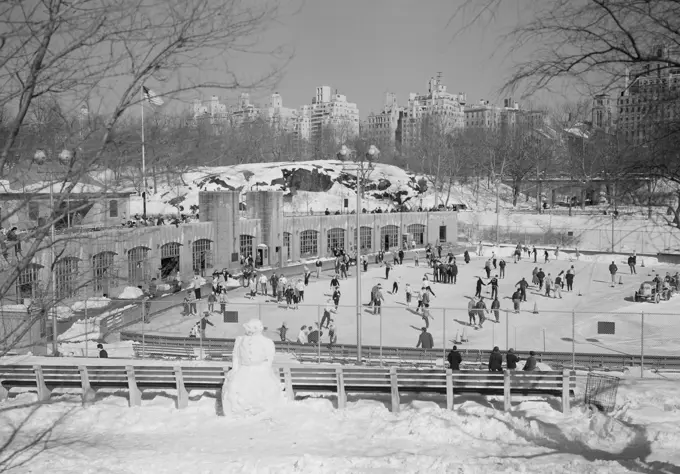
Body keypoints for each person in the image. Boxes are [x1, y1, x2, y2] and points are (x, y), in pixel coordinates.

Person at [222, 319, 285, 415]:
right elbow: (236, 356)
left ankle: (262, 408)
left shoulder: (267, 342)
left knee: (265, 389)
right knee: (234, 388)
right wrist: (235, 369)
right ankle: (236, 408)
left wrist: (266, 370)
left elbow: (269, 359)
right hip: (243, 369)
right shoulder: (240, 340)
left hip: (260, 369)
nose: (248, 330)